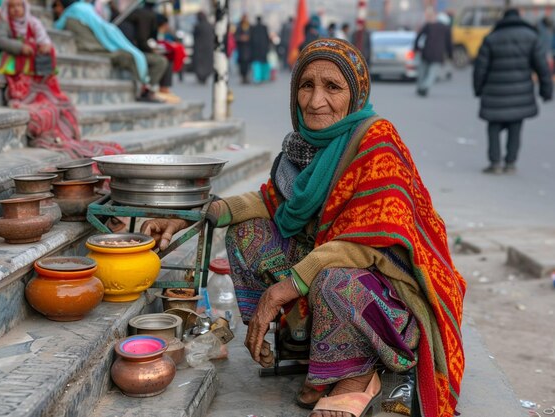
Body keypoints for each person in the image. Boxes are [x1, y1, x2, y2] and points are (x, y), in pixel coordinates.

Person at [141, 38, 466, 417]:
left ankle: (358, 372)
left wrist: (280, 291)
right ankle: (303, 341)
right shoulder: (303, 147)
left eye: (332, 87)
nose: (315, 101)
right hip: (334, 275)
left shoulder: (377, 142)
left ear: (355, 95)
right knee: (249, 234)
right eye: (306, 86)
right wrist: (195, 214)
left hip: (391, 298)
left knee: (333, 278)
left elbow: (365, 243)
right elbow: (270, 200)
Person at [0, 0, 124, 158]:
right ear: (7, 8)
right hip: (13, 65)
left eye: (19, 6)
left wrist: (44, 46)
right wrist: (20, 47)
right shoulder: (4, 22)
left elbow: (44, 38)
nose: (15, 9)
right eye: (12, 6)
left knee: (62, 104)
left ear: (25, 7)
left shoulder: (32, 22)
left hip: (31, 67)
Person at [473, 8, 553, 174]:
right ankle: (510, 163)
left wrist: (478, 88)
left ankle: (495, 162)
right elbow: (542, 67)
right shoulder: (531, 37)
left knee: (493, 126)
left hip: (494, 91)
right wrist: (546, 90)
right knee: (515, 127)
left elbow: (480, 68)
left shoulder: (491, 38)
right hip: (520, 92)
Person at [53, 0, 160, 102]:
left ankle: (143, 88)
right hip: (94, 50)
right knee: (129, 56)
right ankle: (142, 90)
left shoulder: (77, 13)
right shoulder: (74, 15)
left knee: (136, 56)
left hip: (100, 47)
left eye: (57, 6)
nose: (56, 10)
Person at [117, 0, 174, 101]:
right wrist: (153, 50)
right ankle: (146, 91)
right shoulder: (147, 16)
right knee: (161, 61)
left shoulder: (138, 12)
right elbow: (142, 40)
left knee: (165, 60)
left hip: (127, 47)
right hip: (126, 50)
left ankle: (160, 89)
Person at [414, 12, 452, 97]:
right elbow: (449, 44)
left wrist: (416, 48)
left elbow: (419, 36)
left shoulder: (429, 25)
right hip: (438, 55)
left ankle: (420, 87)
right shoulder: (446, 29)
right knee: (432, 73)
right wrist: (450, 55)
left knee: (422, 71)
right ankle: (425, 87)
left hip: (426, 52)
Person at [192, 11, 215, 84]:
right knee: (207, 62)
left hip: (199, 48)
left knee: (200, 63)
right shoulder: (210, 25)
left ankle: (201, 76)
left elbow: (194, 36)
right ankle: (204, 76)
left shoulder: (197, 26)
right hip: (208, 47)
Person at [249, 16, 271, 83]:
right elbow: (267, 38)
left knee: (256, 63)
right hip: (263, 48)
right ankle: (264, 77)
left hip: (255, 48)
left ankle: (257, 78)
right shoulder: (264, 27)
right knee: (264, 62)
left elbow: (251, 38)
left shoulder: (253, 27)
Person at [235, 14, 252, 84]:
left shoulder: (249, 27)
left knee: (247, 64)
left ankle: (246, 77)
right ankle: (243, 77)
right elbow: (236, 36)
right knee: (242, 64)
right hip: (241, 49)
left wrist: (248, 38)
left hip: (248, 49)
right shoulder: (239, 26)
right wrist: (241, 38)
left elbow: (252, 36)